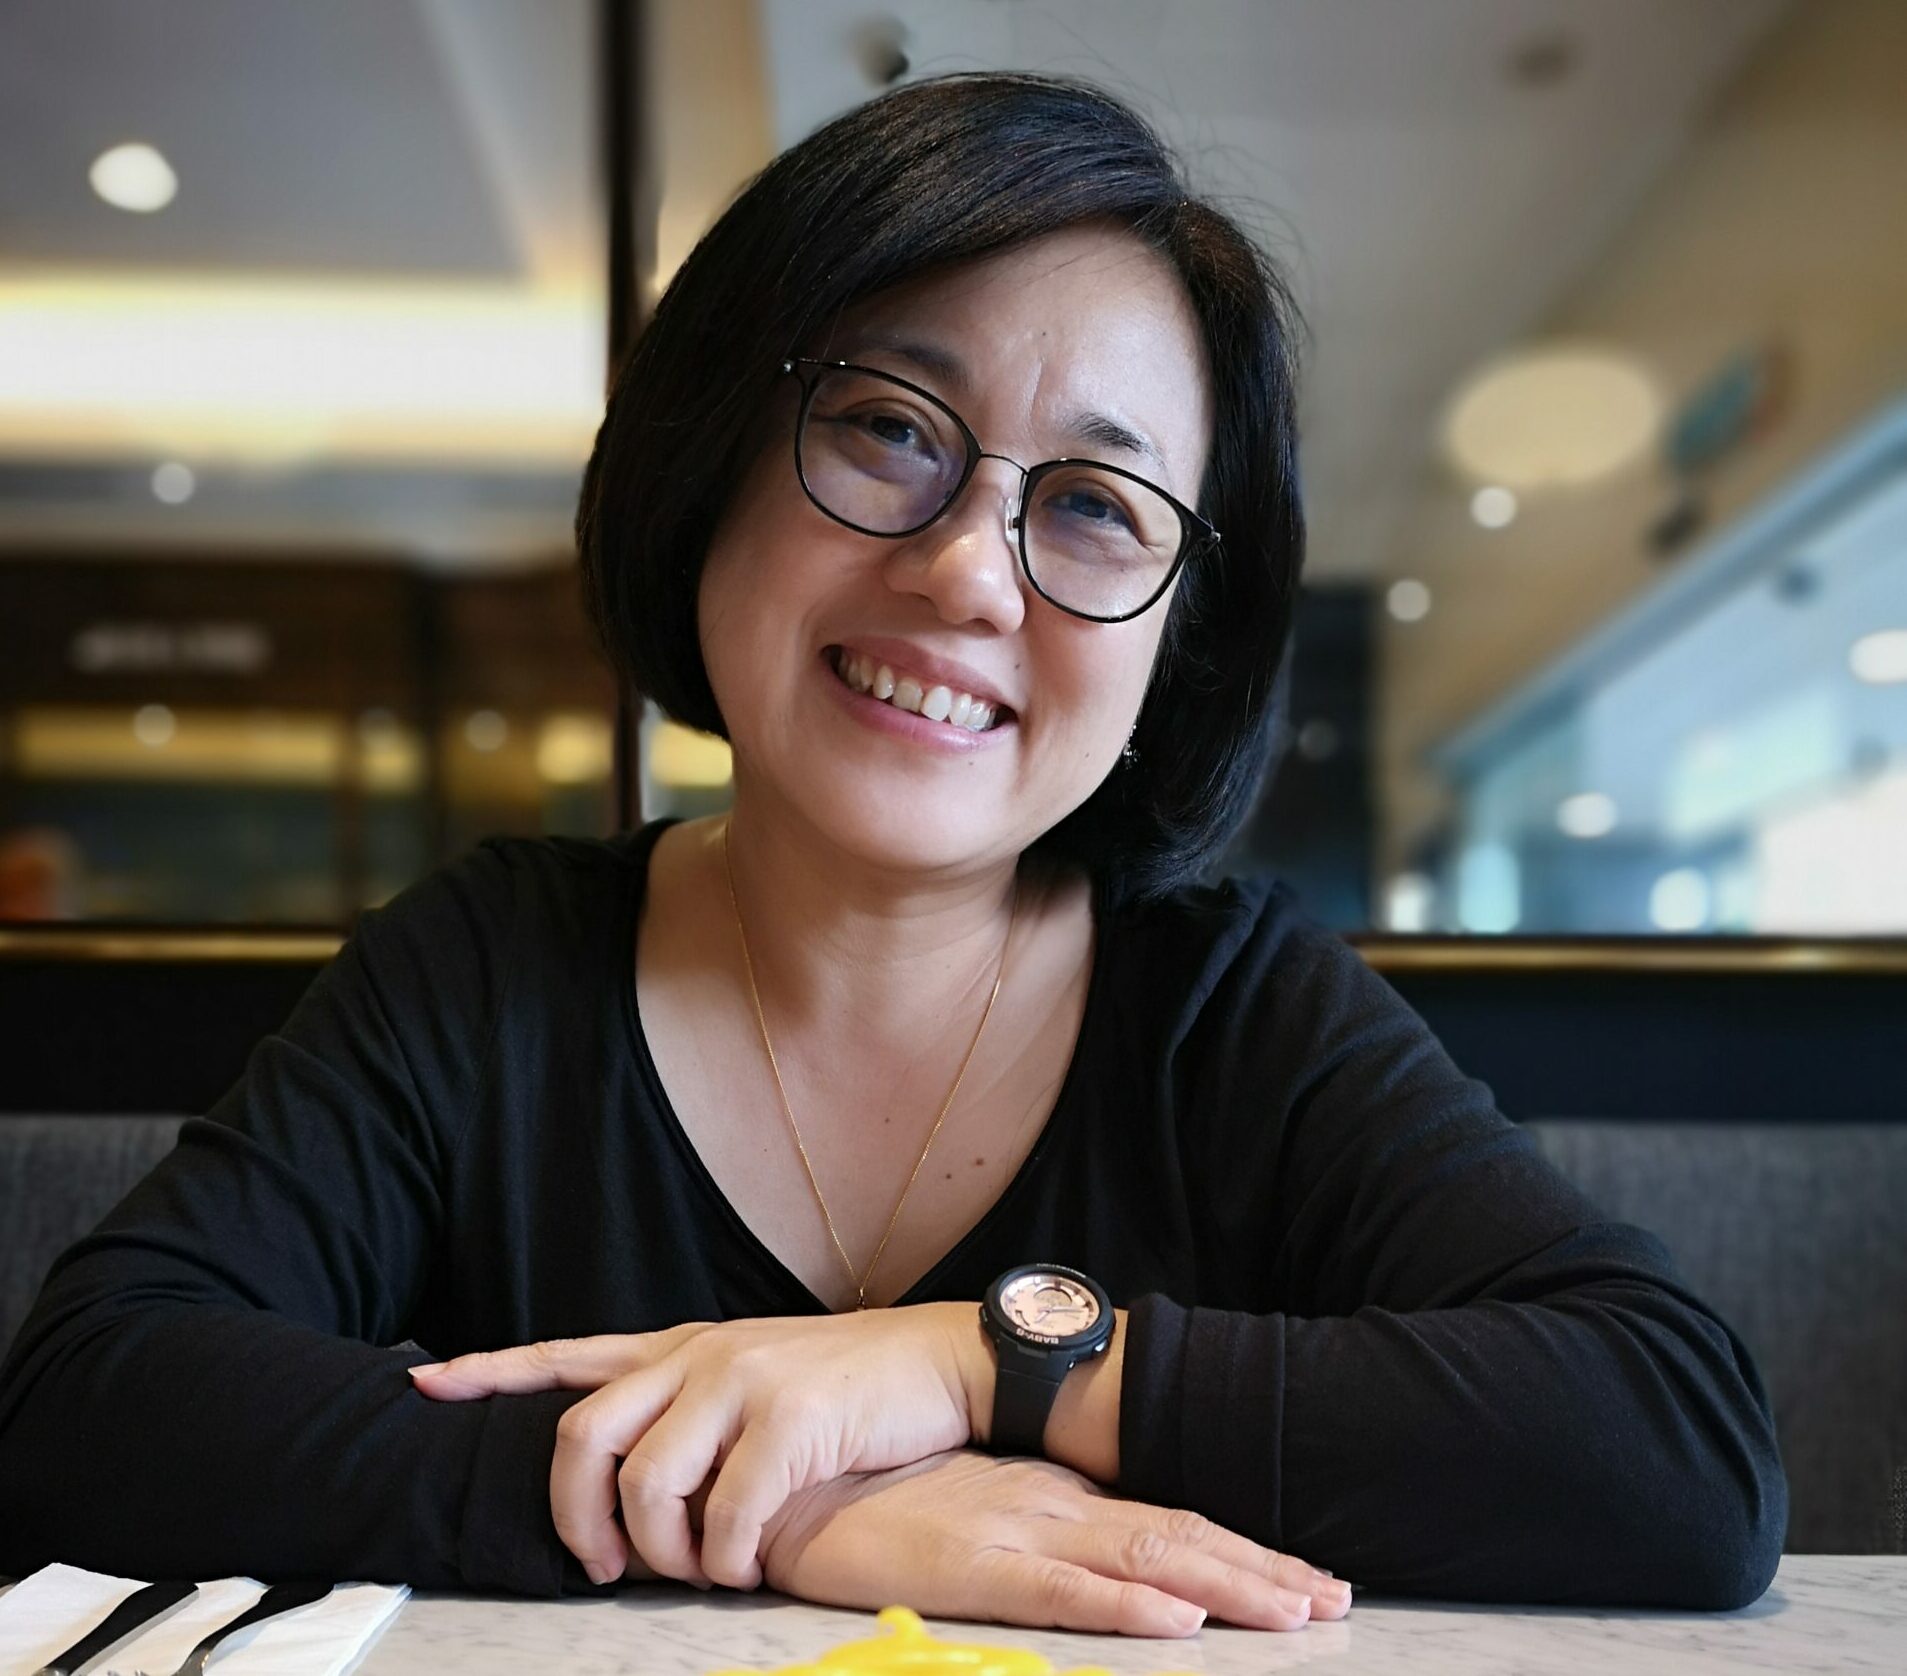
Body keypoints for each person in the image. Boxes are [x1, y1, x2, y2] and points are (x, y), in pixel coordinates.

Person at [0, 74, 1784, 1637]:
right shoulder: (489, 972)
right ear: (711, 460)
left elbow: (1676, 1449)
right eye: (887, 428)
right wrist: (784, 1503)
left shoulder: (1226, 1008)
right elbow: (92, 1406)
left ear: (1179, 641)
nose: (968, 573)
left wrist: (979, 1360)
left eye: (1095, 505)